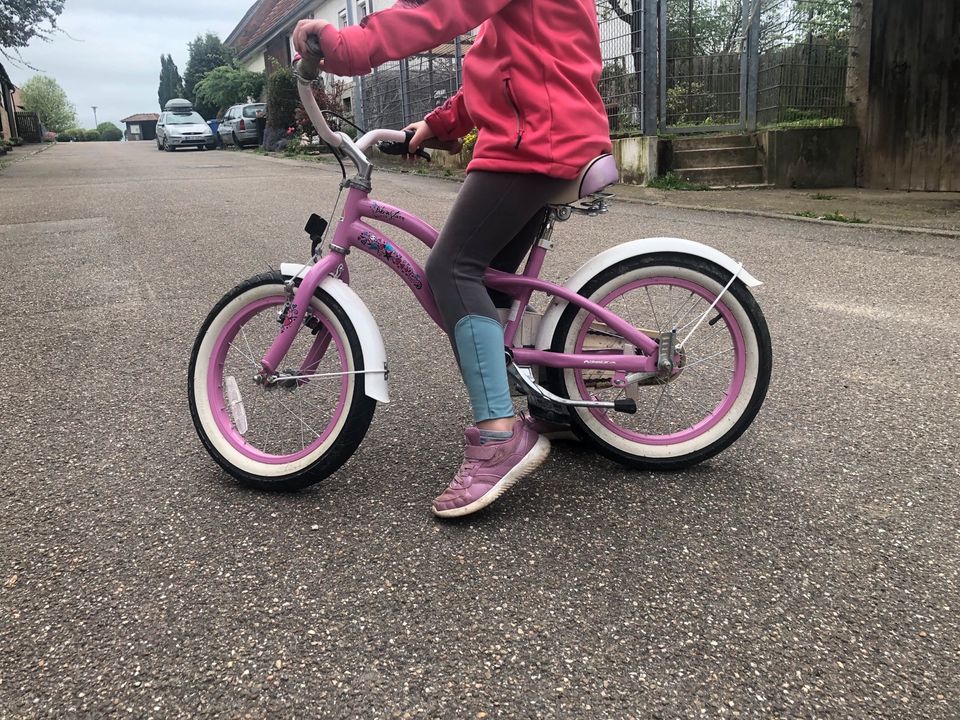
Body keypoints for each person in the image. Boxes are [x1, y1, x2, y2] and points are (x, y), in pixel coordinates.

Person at [293, 0, 611, 518]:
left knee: (449, 269)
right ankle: (550, 401)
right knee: (489, 283)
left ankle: (498, 437)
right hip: (543, 136)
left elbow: (442, 11)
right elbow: (508, 68)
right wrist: (436, 125)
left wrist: (347, 46)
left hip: (534, 145)